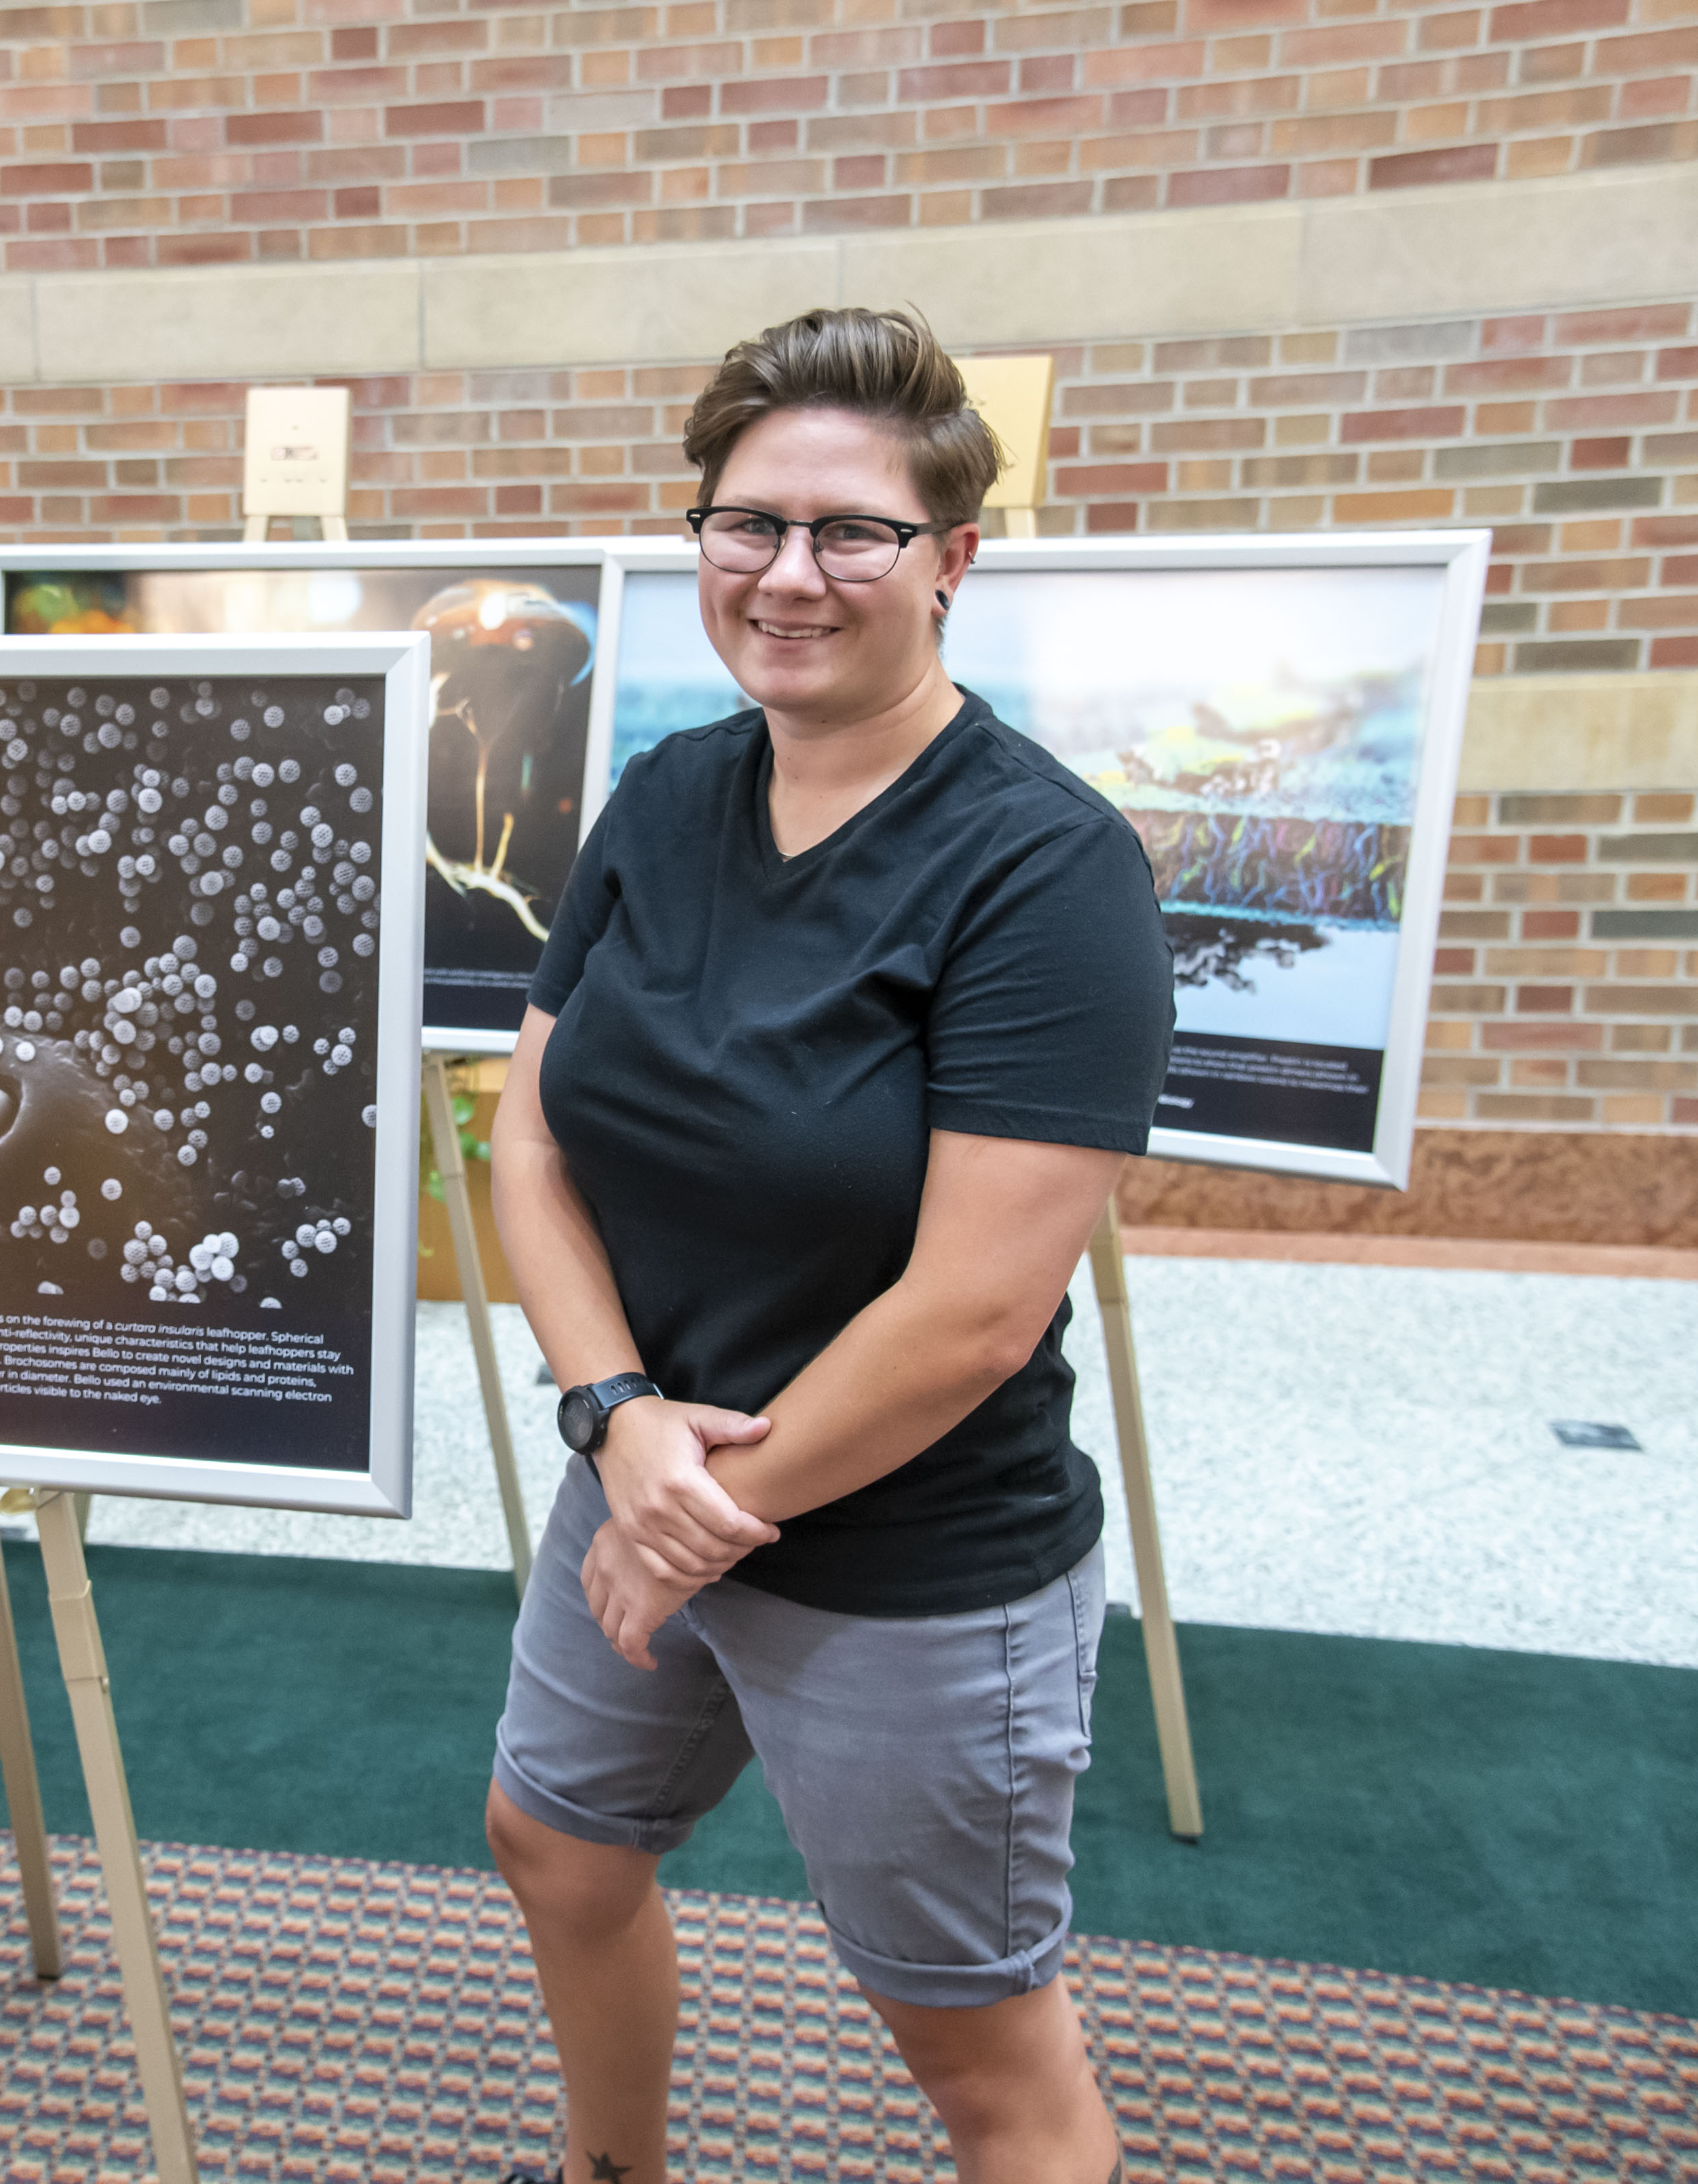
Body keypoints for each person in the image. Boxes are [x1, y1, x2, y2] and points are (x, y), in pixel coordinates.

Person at [482, 305, 1174, 2184]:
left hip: (907, 1552)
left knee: (974, 2055)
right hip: (641, 1458)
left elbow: (966, 1311)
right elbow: (531, 1137)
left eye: (849, 531)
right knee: (553, 1839)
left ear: (950, 560)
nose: (788, 574)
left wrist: (690, 1510)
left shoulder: (1045, 869)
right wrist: (618, 1422)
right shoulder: (663, 794)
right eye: (745, 523)